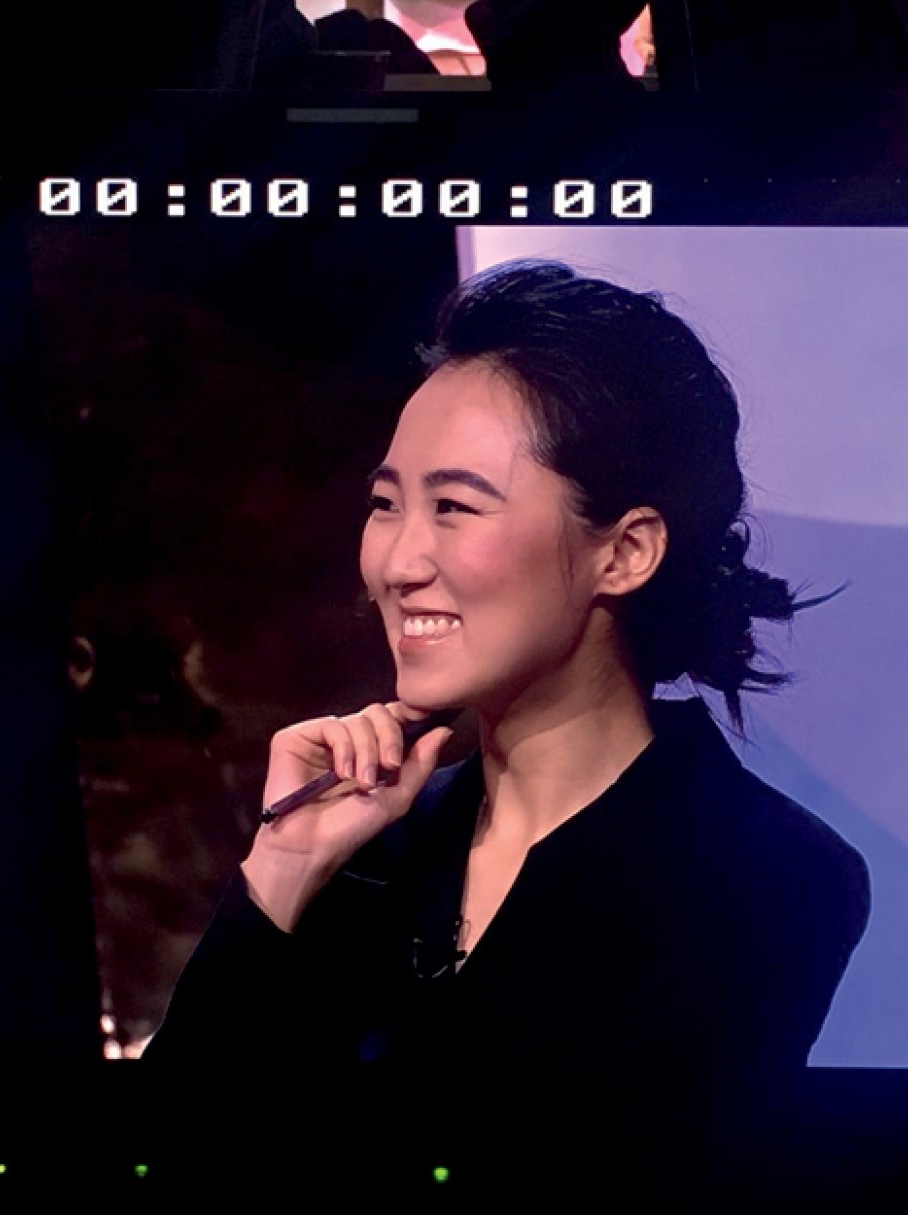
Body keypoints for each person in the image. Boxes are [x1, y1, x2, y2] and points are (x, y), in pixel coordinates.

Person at [142, 259, 870, 1198]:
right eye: (385, 504)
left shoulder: (768, 875)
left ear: (626, 551)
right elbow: (167, 1155)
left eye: (453, 507)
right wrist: (284, 867)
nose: (397, 562)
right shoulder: (367, 847)